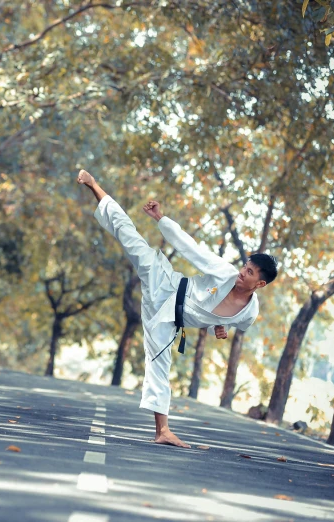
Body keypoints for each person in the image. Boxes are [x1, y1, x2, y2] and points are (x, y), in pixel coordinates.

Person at [77, 169, 278, 448]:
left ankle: (163, 431)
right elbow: (192, 248)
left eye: (251, 272)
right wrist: (161, 218)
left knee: (159, 361)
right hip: (167, 283)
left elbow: (224, 321)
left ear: (261, 283)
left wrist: (219, 326)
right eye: (246, 266)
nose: (244, 273)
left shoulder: (248, 315)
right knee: (131, 238)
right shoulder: (225, 272)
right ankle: (94, 185)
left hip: (170, 318)